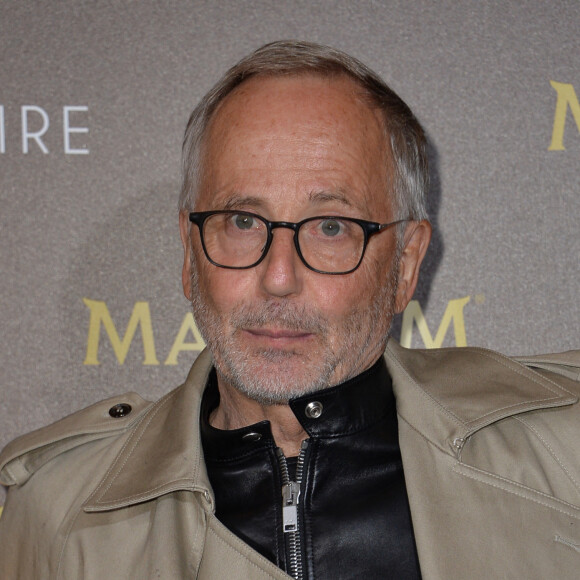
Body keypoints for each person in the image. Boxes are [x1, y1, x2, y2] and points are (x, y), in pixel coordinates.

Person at [0, 40, 579, 580]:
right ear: (188, 254)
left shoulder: (562, 459)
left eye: (331, 227)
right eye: (243, 222)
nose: (278, 278)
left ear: (405, 265)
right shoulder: (56, 514)